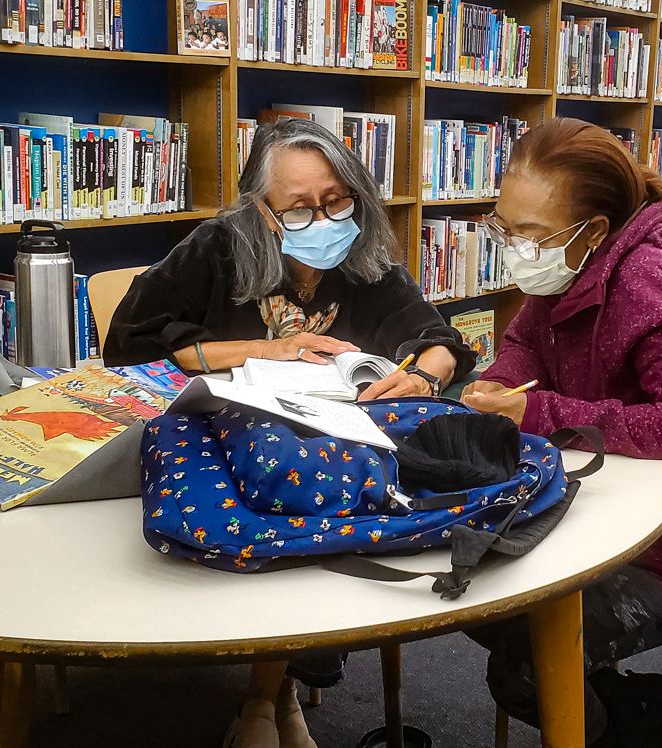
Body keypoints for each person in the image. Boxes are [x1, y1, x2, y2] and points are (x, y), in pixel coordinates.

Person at [105, 117, 476, 748]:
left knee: (318, 491)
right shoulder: (215, 248)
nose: (325, 219)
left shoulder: (363, 262)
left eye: (336, 201)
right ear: (262, 211)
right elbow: (133, 346)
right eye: (299, 208)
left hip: (319, 440)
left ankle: (268, 695)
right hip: (216, 438)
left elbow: (439, 341)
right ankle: (276, 694)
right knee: (279, 501)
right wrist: (267, 349)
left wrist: (422, 379)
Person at [459, 118, 662, 747]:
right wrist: (497, 386)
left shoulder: (649, 285)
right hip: (600, 515)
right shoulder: (569, 266)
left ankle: (626, 730)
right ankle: (634, 705)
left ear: (593, 231)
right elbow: (525, 347)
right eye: (503, 227)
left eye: (530, 235)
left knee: (523, 665)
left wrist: (538, 414)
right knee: (474, 593)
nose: (516, 248)